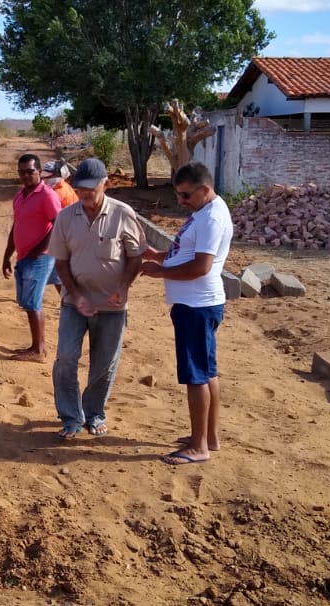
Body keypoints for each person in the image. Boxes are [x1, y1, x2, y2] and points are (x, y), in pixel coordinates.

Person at [140, 162, 233, 465]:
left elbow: (200, 266)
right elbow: (186, 253)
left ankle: (198, 446)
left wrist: (159, 272)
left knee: (196, 376)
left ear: (204, 189)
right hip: (197, 304)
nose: (181, 201)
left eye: (185, 195)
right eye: (178, 195)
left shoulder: (211, 218)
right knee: (208, 372)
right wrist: (159, 256)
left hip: (197, 306)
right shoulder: (205, 211)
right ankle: (208, 437)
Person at [47, 157, 145, 439]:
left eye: (91, 187)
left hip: (112, 305)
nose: (85, 193)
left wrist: (124, 287)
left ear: (106, 184)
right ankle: (70, 417)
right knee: (66, 358)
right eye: (81, 188)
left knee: (104, 364)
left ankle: (94, 414)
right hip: (74, 303)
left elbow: (135, 257)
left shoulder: (123, 214)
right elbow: (61, 263)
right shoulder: (66, 217)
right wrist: (76, 295)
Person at [1, 154, 63, 362]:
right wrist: (7, 255)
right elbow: (16, 227)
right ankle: (37, 346)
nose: (26, 176)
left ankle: (39, 350)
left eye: (30, 171)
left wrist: (39, 250)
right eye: (22, 172)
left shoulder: (47, 196)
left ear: (40, 172)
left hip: (40, 257)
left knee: (32, 302)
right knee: (31, 301)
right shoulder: (19, 196)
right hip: (24, 255)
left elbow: (58, 225)